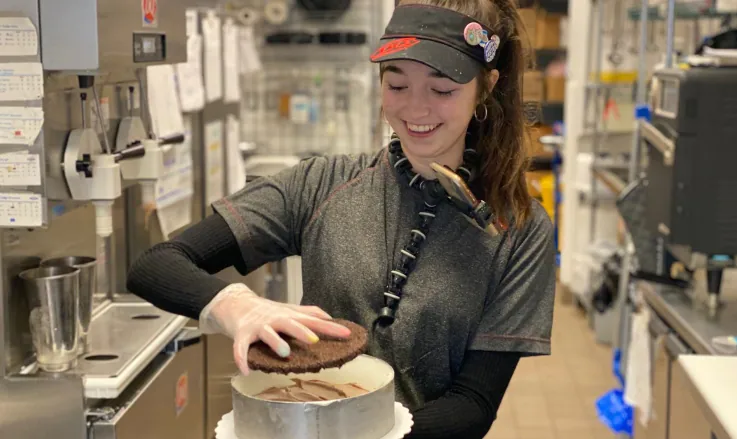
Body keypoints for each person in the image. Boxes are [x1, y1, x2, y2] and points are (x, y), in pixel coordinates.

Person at [126, 0, 556, 437]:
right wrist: (237, 307)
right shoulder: (321, 183)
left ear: (486, 87)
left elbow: (473, 406)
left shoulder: (519, 231)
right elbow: (156, 265)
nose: (415, 109)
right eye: (397, 85)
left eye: (442, 89)